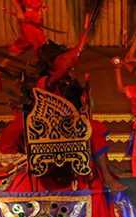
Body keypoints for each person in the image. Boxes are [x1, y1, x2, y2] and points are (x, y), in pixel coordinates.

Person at [35, 41, 127, 191]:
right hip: (54, 129)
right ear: (50, 63)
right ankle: (106, 178)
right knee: (93, 129)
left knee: (95, 127)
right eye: (60, 59)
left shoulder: (67, 77)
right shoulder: (44, 80)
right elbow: (52, 84)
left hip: (68, 123)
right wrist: (68, 64)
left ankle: (106, 170)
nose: (64, 60)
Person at [0, 0, 48, 71]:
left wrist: (39, 7)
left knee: (24, 43)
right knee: (38, 42)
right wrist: (19, 11)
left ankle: (1, 66)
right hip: (28, 16)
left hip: (36, 16)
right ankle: (44, 68)